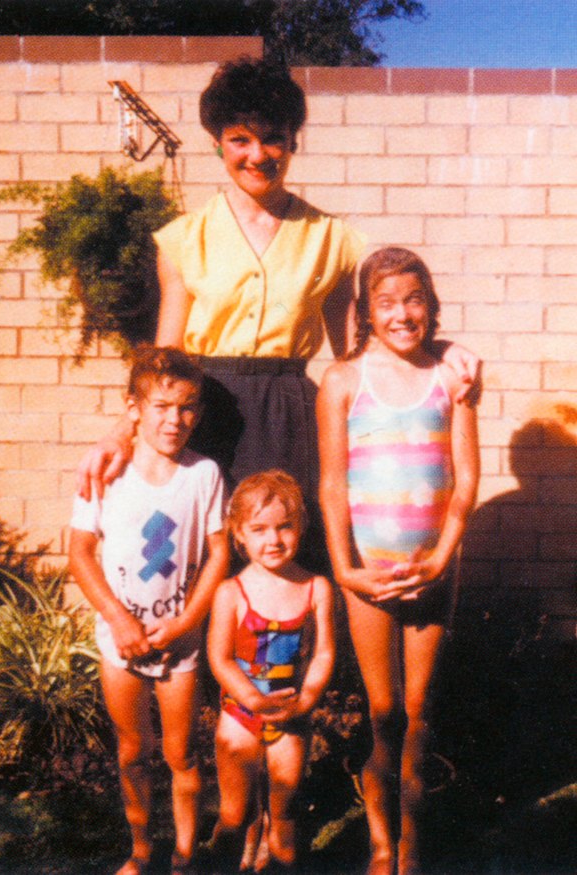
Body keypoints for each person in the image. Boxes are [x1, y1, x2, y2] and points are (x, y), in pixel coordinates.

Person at [76, 56, 480, 535]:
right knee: (214, 551)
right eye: (239, 140)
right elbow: (166, 359)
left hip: (293, 412)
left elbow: (361, 348)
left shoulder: (331, 238)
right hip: (208, 409)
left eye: (272, 138)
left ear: (293, 142)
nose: (258, 154)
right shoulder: (182, 239)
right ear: (217, 144)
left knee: (291, 545)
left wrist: (442, 350)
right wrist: (122, 432)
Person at [317, 248, 480, 875]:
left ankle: (409, 848)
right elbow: (333, 485)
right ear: (367, 312)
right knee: (382, 713)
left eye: (414, 300)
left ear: (430, 305)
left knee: (419, 713)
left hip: (434, 574)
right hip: (368, 576)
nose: (402, 314)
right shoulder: (343, 381)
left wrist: (441, 556)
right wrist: (344, 568)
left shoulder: (452, 377)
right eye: (386, 303)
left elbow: (465, 479)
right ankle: (378, 842)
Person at [69, 346, 230, 875]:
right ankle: (140, 851)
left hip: (177, 641)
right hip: (119, 642)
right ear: (133, 408)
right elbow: (79, 551)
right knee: (133, 750)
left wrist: (187, 623)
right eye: (161, 406)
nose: (174, 419)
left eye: (186, 407)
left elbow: (219, 553)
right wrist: (118, 619)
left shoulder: (203, 474)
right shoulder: (106, 473)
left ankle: (184, 854)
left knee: (182, 754)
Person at [206, 470, 335, 872]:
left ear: (301, 528)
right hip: (240, 714)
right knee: (234, 811)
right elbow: (220, 657)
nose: (273, 539)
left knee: (286, 806)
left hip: (291, 713)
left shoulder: (316, 587)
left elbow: (325, 652)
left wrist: (308, 698)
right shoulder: (231, 591)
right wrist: (252, 699)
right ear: (239, 534)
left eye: (284, 527)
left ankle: (280, 859)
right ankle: (222, 851)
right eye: (259, 529)